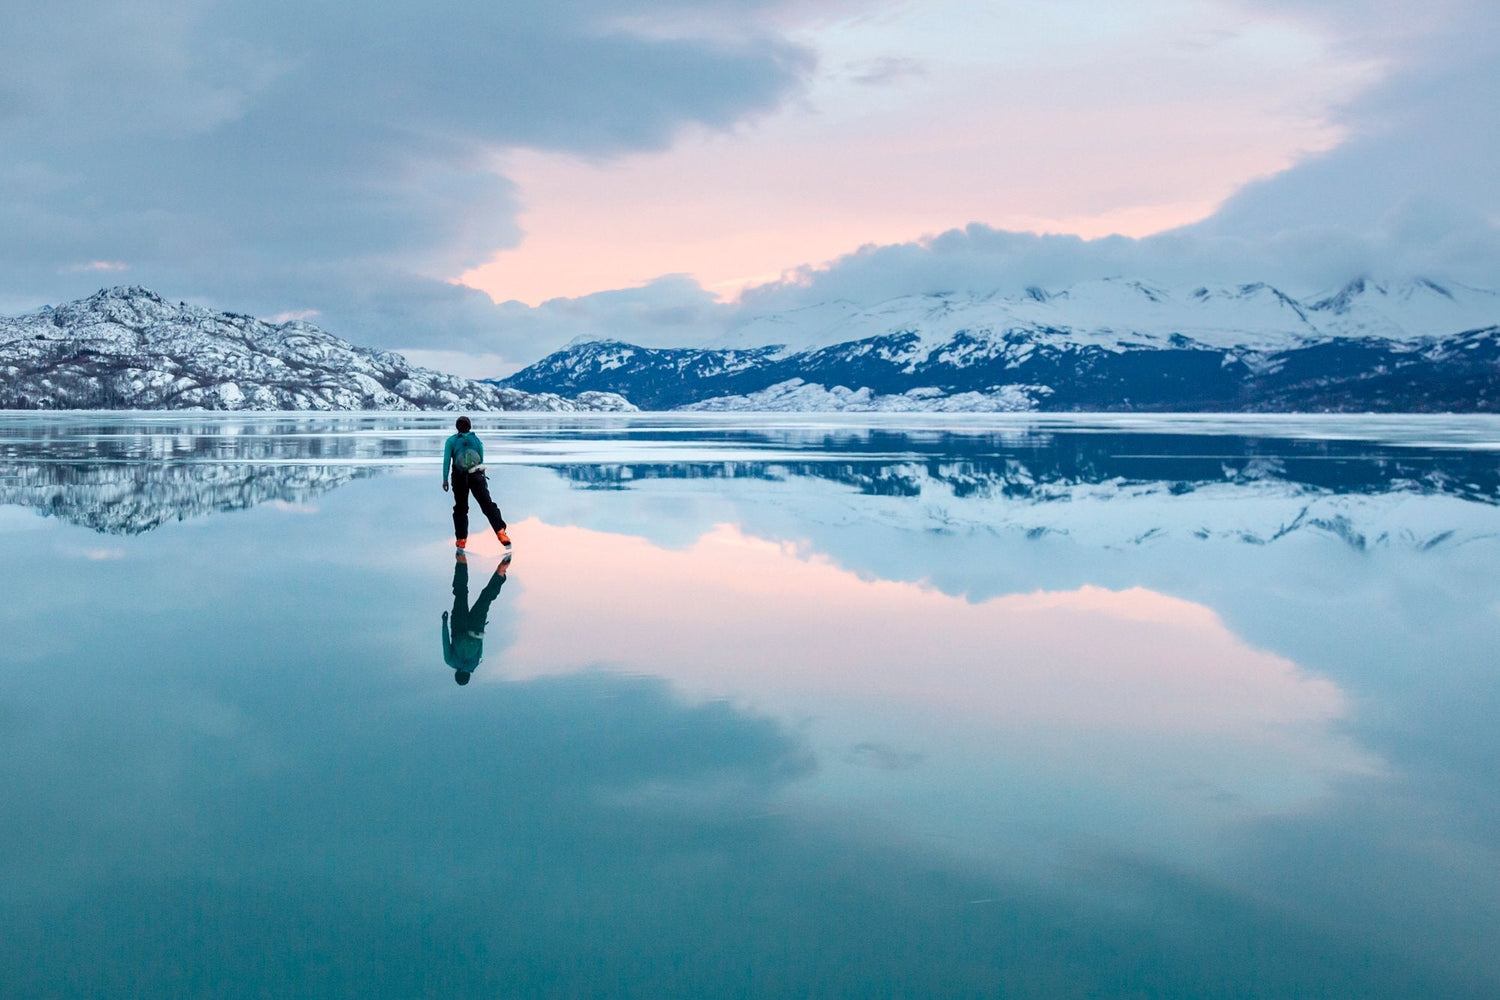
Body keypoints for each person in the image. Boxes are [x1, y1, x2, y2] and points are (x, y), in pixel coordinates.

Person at [442, 415, 510, 549]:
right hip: (476, 475)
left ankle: (461, 539)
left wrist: (445, 479)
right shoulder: (476, 440)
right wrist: (482, 476)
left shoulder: (451, 441)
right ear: (469, 426)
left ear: (457, 427)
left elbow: (446, 461)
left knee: (461, 508)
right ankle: (501, 532)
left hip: (459, 477)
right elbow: (481, 459)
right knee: (487, 505)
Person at [442, 550, 509, 685]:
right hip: (459, 625)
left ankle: (501, 571)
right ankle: (461, 559)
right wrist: (444, 622)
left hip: (476, 627)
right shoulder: (450, 662)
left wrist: (481, 626)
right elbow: (445, 642)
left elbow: (480, 644)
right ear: (456, 674)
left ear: (468, 675)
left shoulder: (474, 664)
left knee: (486, 598)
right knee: (461, 592)